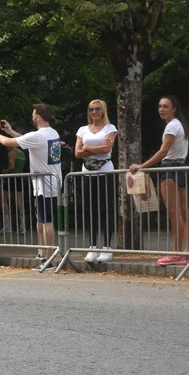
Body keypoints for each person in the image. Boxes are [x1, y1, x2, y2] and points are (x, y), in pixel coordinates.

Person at [130, 96, 189, 266]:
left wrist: (142, 165)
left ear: (174, 108)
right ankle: (188, 251)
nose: (161, 109)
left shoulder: (172, 125)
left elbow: (163, 151)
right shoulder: (179, 124)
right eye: (160, 106)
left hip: (170, 167)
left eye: (165, 106)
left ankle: (176, 253)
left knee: (174, 212)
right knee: (183, 211)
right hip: (180, 166)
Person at [0, 105, 63, 265]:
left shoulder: (38, 136)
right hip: (47, 184)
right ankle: (42, 252)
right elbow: (26, 139)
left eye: (33, 114)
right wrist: (10, 130)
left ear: (38, 116)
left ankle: (49, 258)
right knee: (41, 220)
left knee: (46, 221)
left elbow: (7, 142)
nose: (32, 117)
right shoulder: (52, 133)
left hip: (45, 185)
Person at [74, 99, 117, 263]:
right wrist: (96, 149)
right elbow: (77, 153)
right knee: (90, 210)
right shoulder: (82, 129)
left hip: (105, 171)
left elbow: (107, 149)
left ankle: (107, 247)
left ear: (103, 110)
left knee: (106, 209)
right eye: (91, 109)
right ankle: (92, 246)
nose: (94, 112)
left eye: (97, 109)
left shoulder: (110, 128)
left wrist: (87, 148)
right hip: (87, 172)